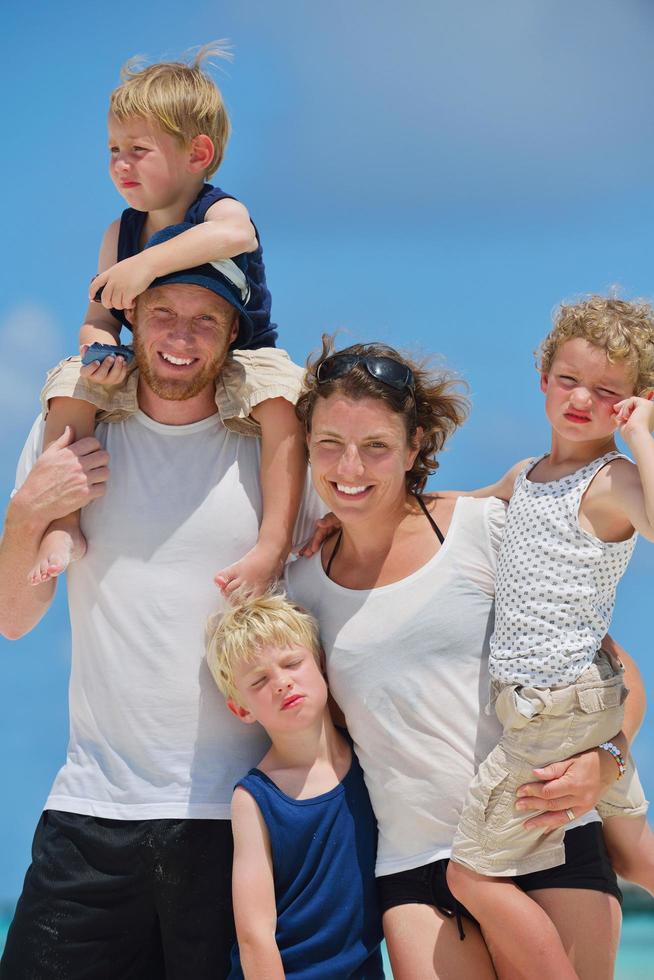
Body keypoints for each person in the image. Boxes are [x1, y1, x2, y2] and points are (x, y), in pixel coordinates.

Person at [286, 338, 647, 980]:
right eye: (329, 444)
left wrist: (606, 760)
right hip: (411, 863)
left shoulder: (484, 528)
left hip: (548, 830)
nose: (351, 467)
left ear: (415, 445)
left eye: (376, 446)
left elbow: (615, 670)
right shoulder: (302, 586)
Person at [0, 262, 320, 979]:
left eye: (205, 318)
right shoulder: (76, 436)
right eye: (162, 313)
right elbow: (14, 618)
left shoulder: (274, 459)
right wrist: (26, 512)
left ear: (234, 332)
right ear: (131, 321)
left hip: (246, 817)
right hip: (92, 810)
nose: (181, 336)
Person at [31, 43, 305, 598]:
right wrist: (100, 349)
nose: (119, 164)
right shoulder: (120, 230)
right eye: (112, 149)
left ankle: (272, 541)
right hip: (154, 353)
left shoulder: (216, 209)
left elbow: (237, 236)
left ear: (197, 153)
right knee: (67, 380)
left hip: (245, 351)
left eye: (137, 149)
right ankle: (63, 525)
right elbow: (98, 318)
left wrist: (148, 264)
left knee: (282, 397)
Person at [442, 296, 654, 978]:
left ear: (632, 402)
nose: (582, 399)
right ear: (542, 377)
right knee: (637, 855)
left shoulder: (615, 479)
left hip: (553, 704)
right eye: (569, 380)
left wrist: (644, 433)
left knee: (469, 876)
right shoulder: (526, 475)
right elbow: (460, 505)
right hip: (582, 695)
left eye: (607, 392)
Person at [205, 592, 384, 979]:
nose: (283, 683)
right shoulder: (255, 799)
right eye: (259, 680)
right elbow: (255, 935)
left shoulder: (371, 756)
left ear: (319, 663)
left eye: (292, 663)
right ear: (241, 709)